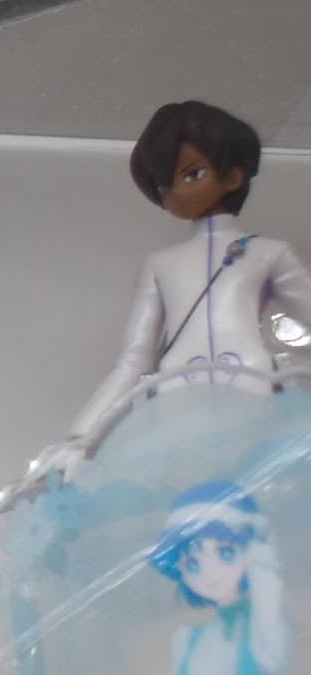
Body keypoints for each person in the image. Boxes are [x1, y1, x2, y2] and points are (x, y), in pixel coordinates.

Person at [33, 101, 311, 481]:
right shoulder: (161, 264)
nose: (176, 192)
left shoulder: (269, 253)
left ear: (233, 176)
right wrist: (80, 438)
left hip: (252, 395)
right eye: (164, 185)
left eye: (192, 174)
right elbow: (134, 360)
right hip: (178, 405)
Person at [150, 481, 288, 675]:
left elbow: (275, 658)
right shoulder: (184, 641)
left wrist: (263, 561)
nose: (210, 573)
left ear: (250, 552)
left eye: (225, 553)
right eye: (193, 564)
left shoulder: (262, 631)